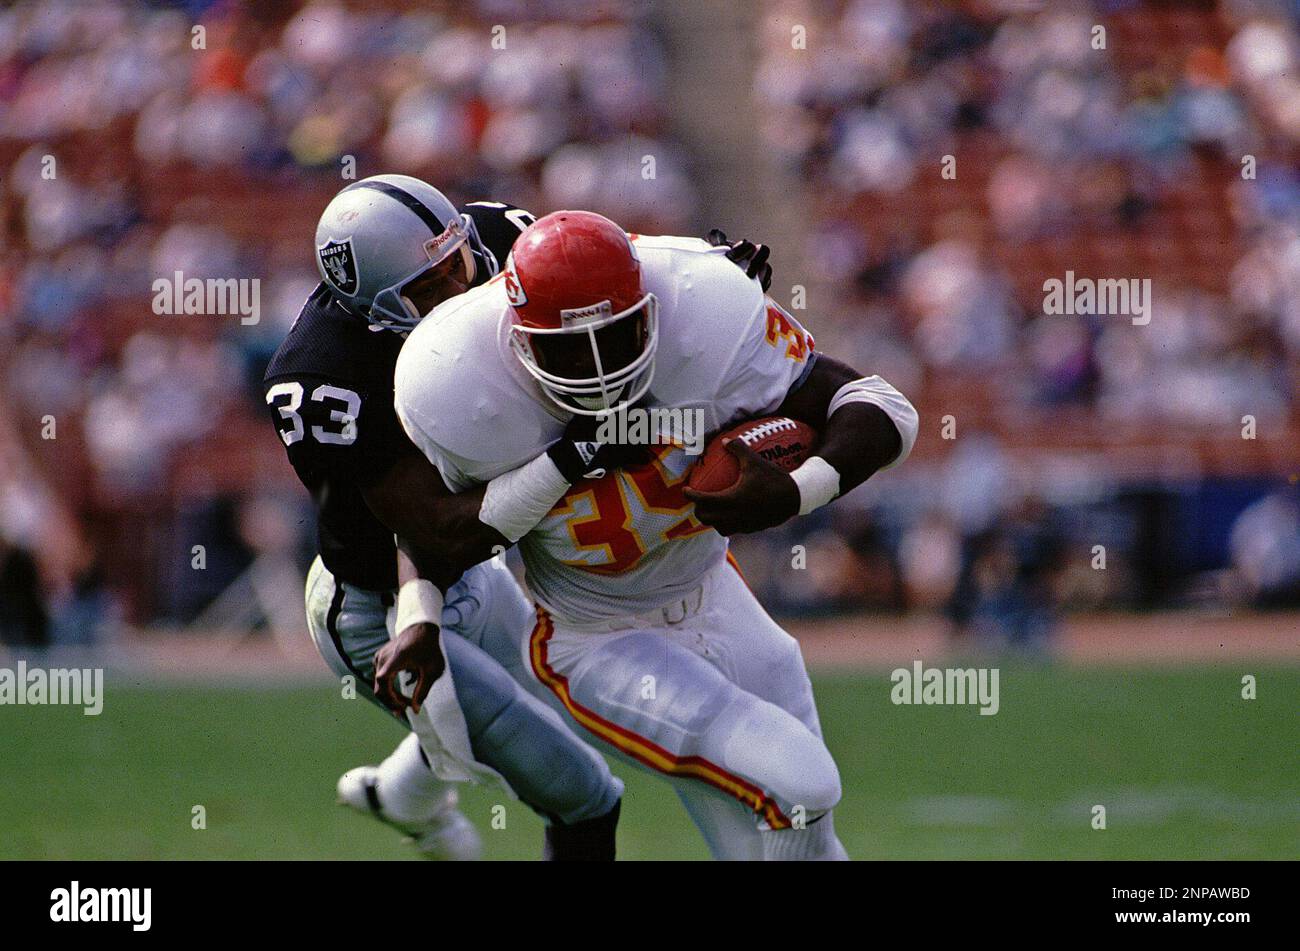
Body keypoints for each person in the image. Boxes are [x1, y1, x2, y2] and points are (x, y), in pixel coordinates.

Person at [390, 210, 918, 859]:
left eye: (615, 337)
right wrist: (419, 615)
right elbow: (440, 531)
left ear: (651, 309)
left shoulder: (704, 307)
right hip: (600, 639)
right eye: (566, 349)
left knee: (807, 835)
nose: (597, 369)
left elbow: (884, 407)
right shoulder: (458, 376)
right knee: (799, 780)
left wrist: (797, 489)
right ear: (519, 339)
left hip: (716, 593)